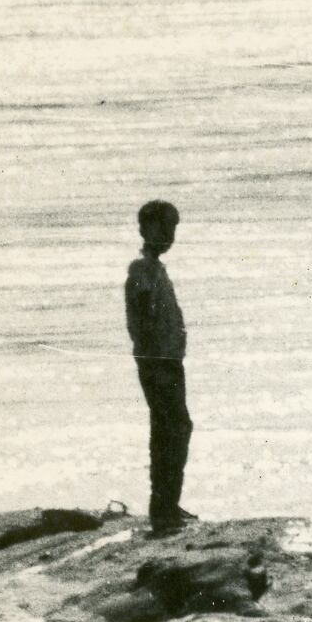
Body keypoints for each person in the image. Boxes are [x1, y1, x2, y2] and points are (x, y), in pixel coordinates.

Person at [124, 200, 191, 535]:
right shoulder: (142, 271)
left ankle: (166, 505)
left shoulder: (153, 270)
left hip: (166, 362)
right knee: (171, 430)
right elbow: (143, 323)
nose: (169, 234)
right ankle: (163, 508)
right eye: (164, 227)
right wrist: (156, 362)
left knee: (173, 429)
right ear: (146, 229)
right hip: (159, 365)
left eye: (172, 228)